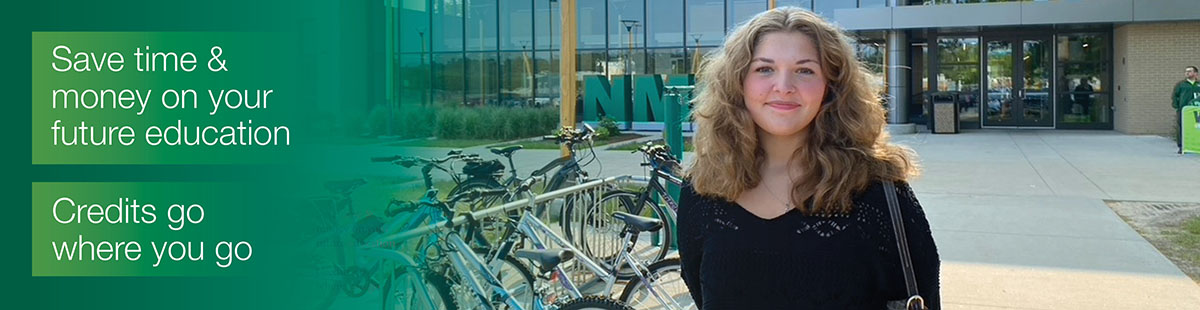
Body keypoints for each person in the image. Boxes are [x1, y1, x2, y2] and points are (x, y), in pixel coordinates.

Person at [677, 7, 940, 309]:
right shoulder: (702, 191)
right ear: (737, 83)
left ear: (832, 86)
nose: (784, 86)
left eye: (805, 70)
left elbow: (926, 296)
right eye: (764, 69)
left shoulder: (881, 193)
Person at [1173, 66, 1200, 154]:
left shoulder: (1198, 84)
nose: (1187, 73)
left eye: (1190, 71)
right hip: (1183, 110)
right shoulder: (1181, 84)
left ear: (1195, 73)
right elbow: (1175, 96)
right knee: (1181, 127)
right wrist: (1178, 106)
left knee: (1196, 127)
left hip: (1196, 110)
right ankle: (1182, 146)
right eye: (1186, 71)